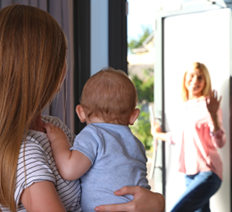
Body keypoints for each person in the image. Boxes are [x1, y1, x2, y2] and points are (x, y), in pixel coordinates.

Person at [0, 4, 165, 212]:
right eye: (62, 58)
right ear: (47, 71)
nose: (65, 67)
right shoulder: (25, 154)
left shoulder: (52, 126)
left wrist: (156, 202)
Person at [44, 67, 151, 211]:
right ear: (134, 115)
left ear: (81, 112)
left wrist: (59, 140)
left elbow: (69, 170)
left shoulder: (93, 134)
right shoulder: (137, 144)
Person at [152, 62, 226, 212]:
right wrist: (157, 134)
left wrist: (213, 115)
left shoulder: (209, 105)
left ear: (205, 82)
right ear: (185, 78)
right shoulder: (184, 106)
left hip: (208, 172)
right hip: (189, 173)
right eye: (191, 76)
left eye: (200, 77)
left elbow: (220, 141)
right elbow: (181, 137)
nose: (195, 81)